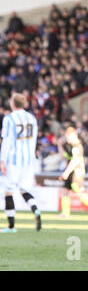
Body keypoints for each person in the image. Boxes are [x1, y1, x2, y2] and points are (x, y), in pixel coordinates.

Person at [0, 93, 41, 233]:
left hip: (14, 159)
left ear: (12, 103)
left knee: (8, 191)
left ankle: (11, 226)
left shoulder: (9, 119)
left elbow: (6, 141)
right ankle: (35, 209)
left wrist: (2, 160)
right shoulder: (32, 118)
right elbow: (34, 139)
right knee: (24, 189)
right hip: (29, 160)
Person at [57, 127, 88, 218]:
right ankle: (65, 213)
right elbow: (63, 157)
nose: (67, 139)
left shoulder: (77, 146)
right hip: (70, 171)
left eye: (68, 137)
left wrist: (66, 173)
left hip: (77, 172)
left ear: (73, 135)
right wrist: (59, 145)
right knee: (65, 191)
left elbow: (75, 161)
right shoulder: (69, 146)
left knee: (78, 192)